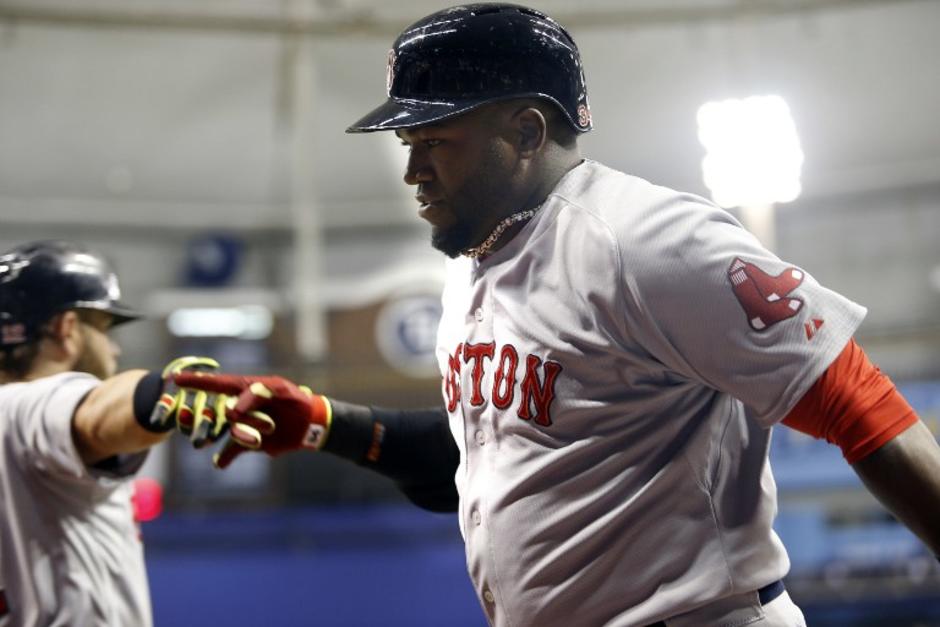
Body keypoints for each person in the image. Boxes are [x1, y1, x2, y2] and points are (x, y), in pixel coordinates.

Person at [176, 4, 940, 626]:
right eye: (408, 142)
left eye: (435, 139)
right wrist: (320, 422)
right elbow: (488, 467)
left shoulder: (649, 241)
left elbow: (862, 408)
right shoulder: (474, 266)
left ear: (528, 131)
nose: (412, 169)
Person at [0, 240, 225, 626]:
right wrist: (164, 393)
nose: (114, 349)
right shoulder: (24, 405)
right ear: (65, 328)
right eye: (104, 329)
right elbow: (94, 416)